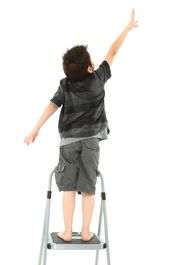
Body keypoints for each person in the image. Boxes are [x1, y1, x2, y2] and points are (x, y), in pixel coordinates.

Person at [24, 9, 138, 242]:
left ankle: (67, 232)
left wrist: (36, 128)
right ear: (89, 68)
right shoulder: (98, 79)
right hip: (91, 143)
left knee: (67, 188)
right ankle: (86, 232)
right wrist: (127, 28)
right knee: (88, 187)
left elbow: (52, 105)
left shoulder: (65, 85)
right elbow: (113, 51)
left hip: (68, 144)